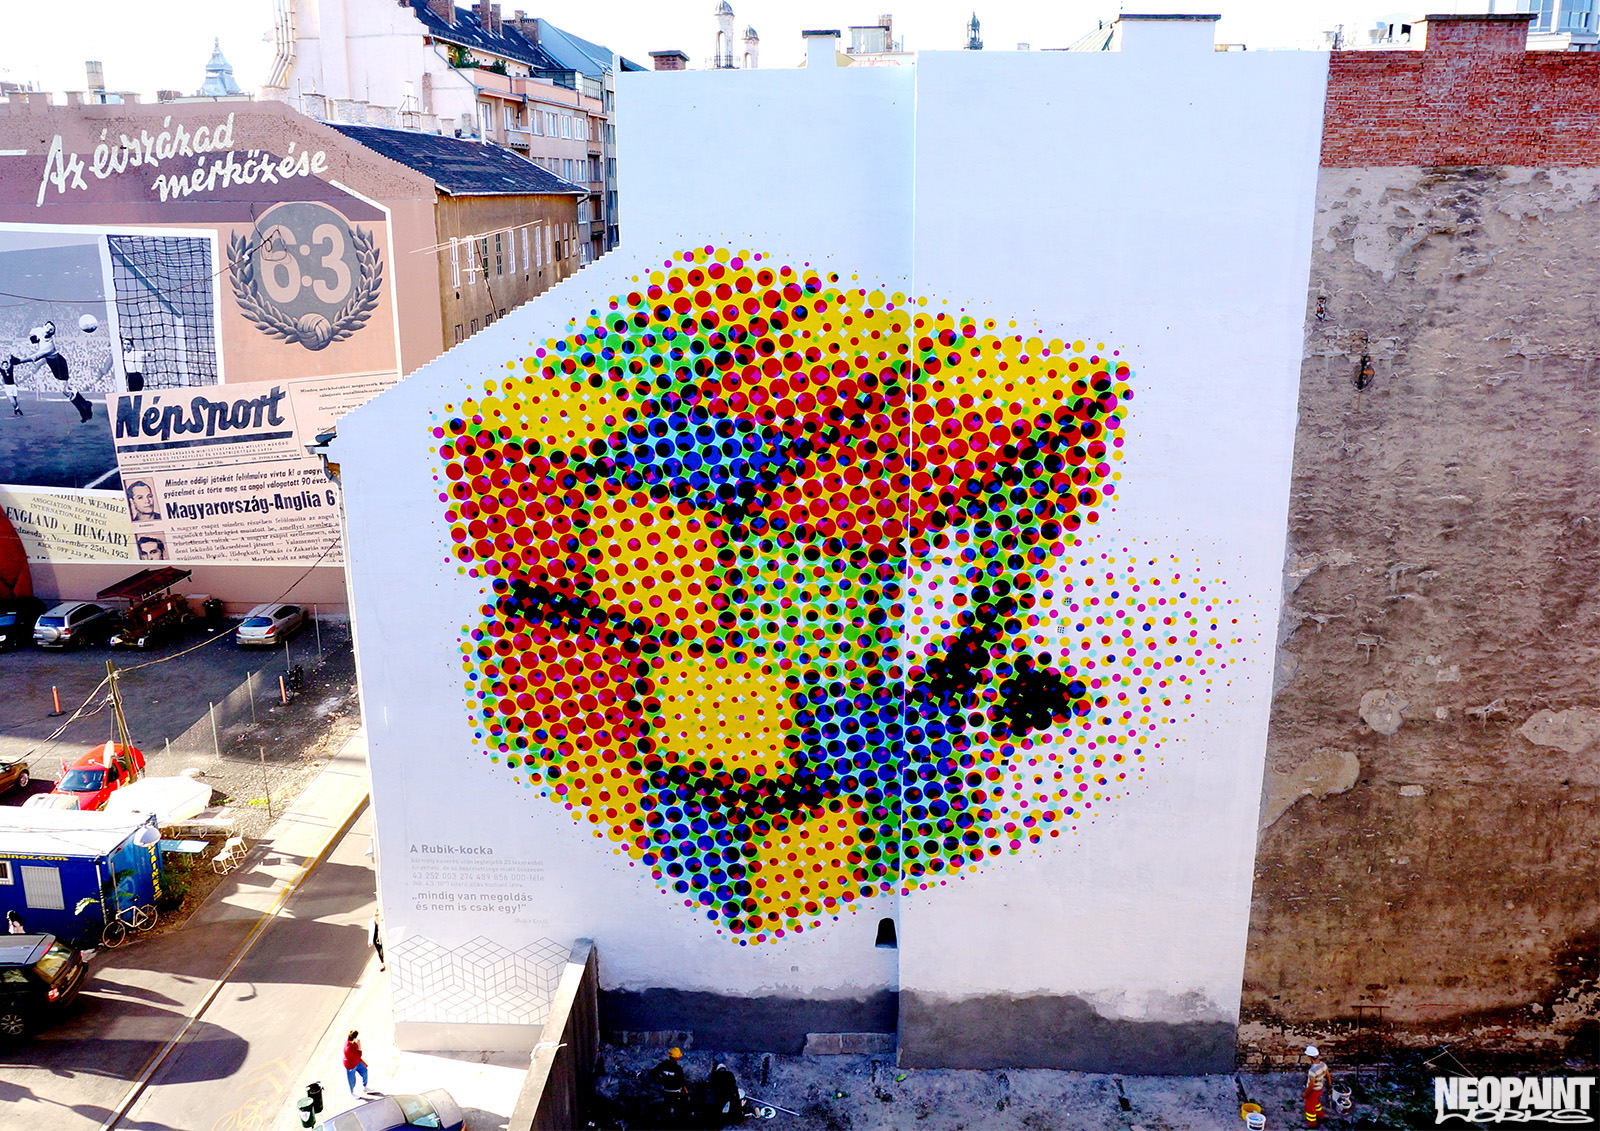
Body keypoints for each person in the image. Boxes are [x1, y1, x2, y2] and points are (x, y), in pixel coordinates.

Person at [1, 321, 94, 423]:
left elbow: (35, 357)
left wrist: (19, 361)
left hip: (59, 363)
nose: (49, 329)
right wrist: (33, 337)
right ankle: (85, 405)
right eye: (48, 327)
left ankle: (83, 410)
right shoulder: (38, 330)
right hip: (51, 363)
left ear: (52, 333)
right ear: (44, 326)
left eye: (51, 330)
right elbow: (32, 332)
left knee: (65, 390)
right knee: (67, 390)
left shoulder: (48, 346)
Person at [1304, 1045, 1332, 1126]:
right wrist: (1329, 1086)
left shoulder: (1312, 1071)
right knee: (1316, 1103)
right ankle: (1321, 1116)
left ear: (1309, 1057)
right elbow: (1328, 1075)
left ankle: (1312, 1123)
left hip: (1313, 1091)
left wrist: (1305, 1093)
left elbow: (1311, 1085)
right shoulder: (1323, 1064)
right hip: (1320, 1089)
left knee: (1309, 1108)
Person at [344, 1030, 369, 1097]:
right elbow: (359, 1054)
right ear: (354, 1038)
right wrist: (359, 1045)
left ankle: (365, 1087)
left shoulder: (351, 1043)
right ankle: (352, 1092)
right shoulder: (349, 1049)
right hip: (351, 1065)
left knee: (364, 1071)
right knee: (352, 1080)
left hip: (356, 1062)